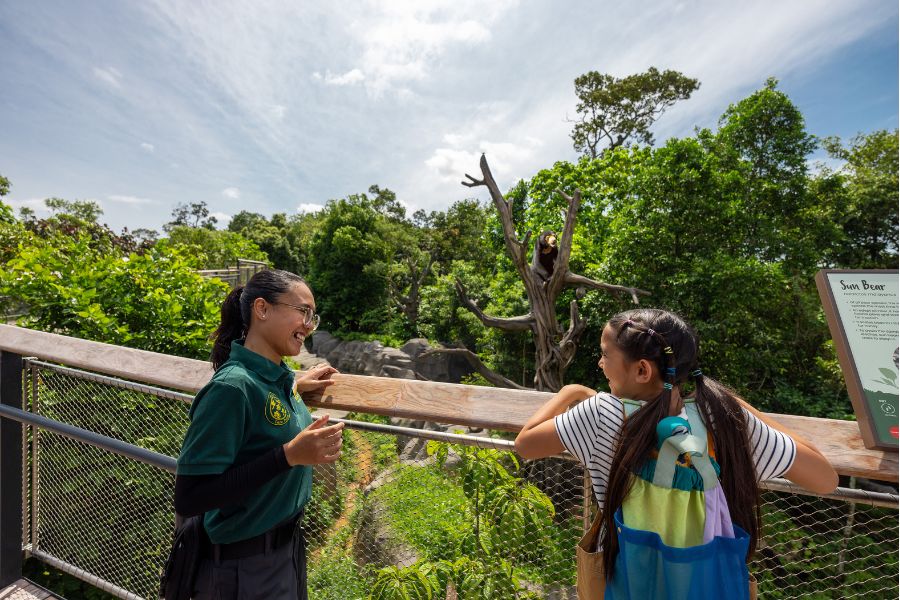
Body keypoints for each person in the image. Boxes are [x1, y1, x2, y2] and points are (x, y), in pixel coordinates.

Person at [515, 308, 837, 599]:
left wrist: (568, 392)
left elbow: (526, 443)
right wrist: (738, 408)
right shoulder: (721, 418)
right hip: (703, 585)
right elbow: (825, 479)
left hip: (625, 583)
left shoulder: (601, 414)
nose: (600, 364)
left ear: (642, 370)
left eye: (605, 354)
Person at [174, 269, 343, 599]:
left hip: (284, 552)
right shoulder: (231, 388)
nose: (309, 325)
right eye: (302, 311)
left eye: (313, 316)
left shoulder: (275, 378)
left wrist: (296, 385)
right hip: (243, 569)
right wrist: (288, 456)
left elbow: (262, 416)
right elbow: (189, 497)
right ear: (262, 309)